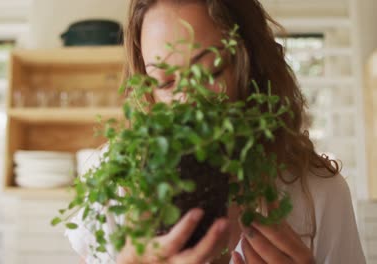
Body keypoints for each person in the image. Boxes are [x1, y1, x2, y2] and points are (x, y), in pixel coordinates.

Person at [66, 0, 366, 263]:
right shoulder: (114, 181)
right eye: (166, 82)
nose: (189, 101)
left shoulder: (318, 192)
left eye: (209, 72)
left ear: (251, 69)